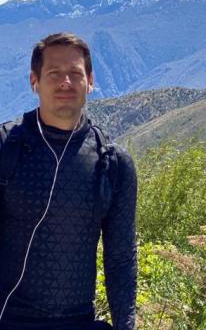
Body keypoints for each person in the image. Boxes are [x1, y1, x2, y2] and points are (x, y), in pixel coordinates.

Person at [0, 33, 137, 330]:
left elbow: (121, 258)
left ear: (90, 81)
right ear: (33, 81)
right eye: (54, 73)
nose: (66, 82)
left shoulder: (112, 163)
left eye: (75, 74)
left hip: (78, 321)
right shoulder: (5, 147)